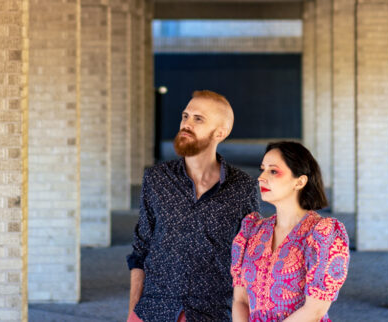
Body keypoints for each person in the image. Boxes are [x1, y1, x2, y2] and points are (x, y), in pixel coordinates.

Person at [128, 90, 260, 322]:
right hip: (153, 311)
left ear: (221, 132)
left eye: (198, 119)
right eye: (185, 116)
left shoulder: (243, 187)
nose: (186, 124)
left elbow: (248, 261)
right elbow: (141, 250)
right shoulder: (156, 179)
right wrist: (132, 312)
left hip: (212, 313)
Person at [230, 141, 349, 322]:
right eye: (263, 169)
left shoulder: (323, 234)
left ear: (300, 181)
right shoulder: (252, 230)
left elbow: (314, 310)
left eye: (273, 171)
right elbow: (241, 300)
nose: (261, 177)